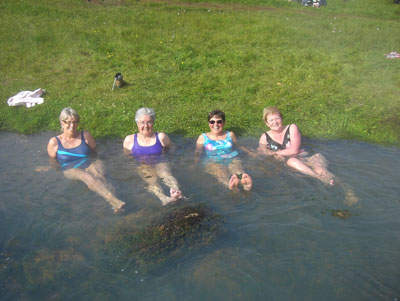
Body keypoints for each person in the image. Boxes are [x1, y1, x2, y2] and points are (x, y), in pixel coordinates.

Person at [258, 106, 358, 204]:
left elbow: (294, 150)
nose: (274, 122)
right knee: (292, 161)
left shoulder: (291, 128)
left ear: (282, 119)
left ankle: (348, 191)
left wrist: (274, 152)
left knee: (322, 171)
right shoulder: (265, 137)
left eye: (277, 118)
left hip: (310, 157)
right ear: (266, 123)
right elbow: (261, 152)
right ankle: (320, 179)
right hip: (295, 163)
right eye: (271, 120)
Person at [45, 107, 126, 213]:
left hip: (89, 162)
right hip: (70, 168)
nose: (72, 126)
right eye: (68, 122)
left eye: (75, 122)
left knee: (99, 176)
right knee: (86, 176)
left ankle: (115, 205)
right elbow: (53, 161)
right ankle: (114, 200)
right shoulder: (54, 142)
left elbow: (96, 152)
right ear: (62, 122)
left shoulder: (85, 135)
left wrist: (95, 166)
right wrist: (50, 167)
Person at [123, 108, 183, 205]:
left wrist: (169, 160)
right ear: (137, 123)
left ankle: (176, 192)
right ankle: (163, 198)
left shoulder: (161, 137)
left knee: (165, 172)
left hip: (160, 161)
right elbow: (128, 158)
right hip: (143, 164)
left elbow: (172, 150)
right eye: (142, 122)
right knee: (151, 179)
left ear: (153, 123)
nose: (145, 126)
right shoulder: (129, 140)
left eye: (149, 122)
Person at [195, 109, 253, 192]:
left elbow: (238, 145)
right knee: (221, 175)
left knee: (239, 172)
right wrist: (195, 163)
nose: (216, 125)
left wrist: (250, 152)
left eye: (219, 121)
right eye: (212, 122)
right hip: (213, 161)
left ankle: (246, 186)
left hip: (231, 158)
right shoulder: (203, 137)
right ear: (209, 123)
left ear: (224, 123)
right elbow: (198, 152)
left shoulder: (230, 134)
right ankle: (233, 188)